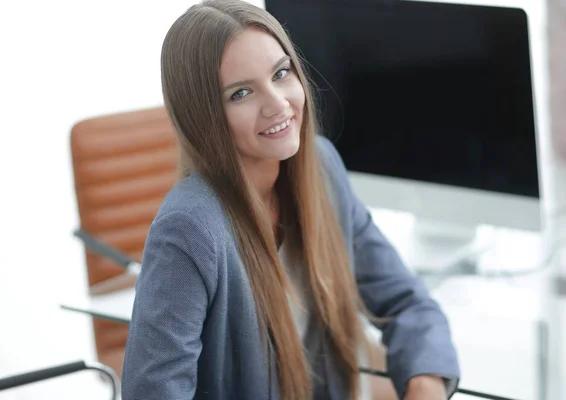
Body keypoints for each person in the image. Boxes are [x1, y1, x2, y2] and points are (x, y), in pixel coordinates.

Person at [122, 1, 460, 399]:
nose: (278, 103)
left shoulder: (321, 169)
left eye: (281, 73)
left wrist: (426, 384)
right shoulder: (189, 229)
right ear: (203, 116)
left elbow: (406, 302)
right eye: (241, 93)